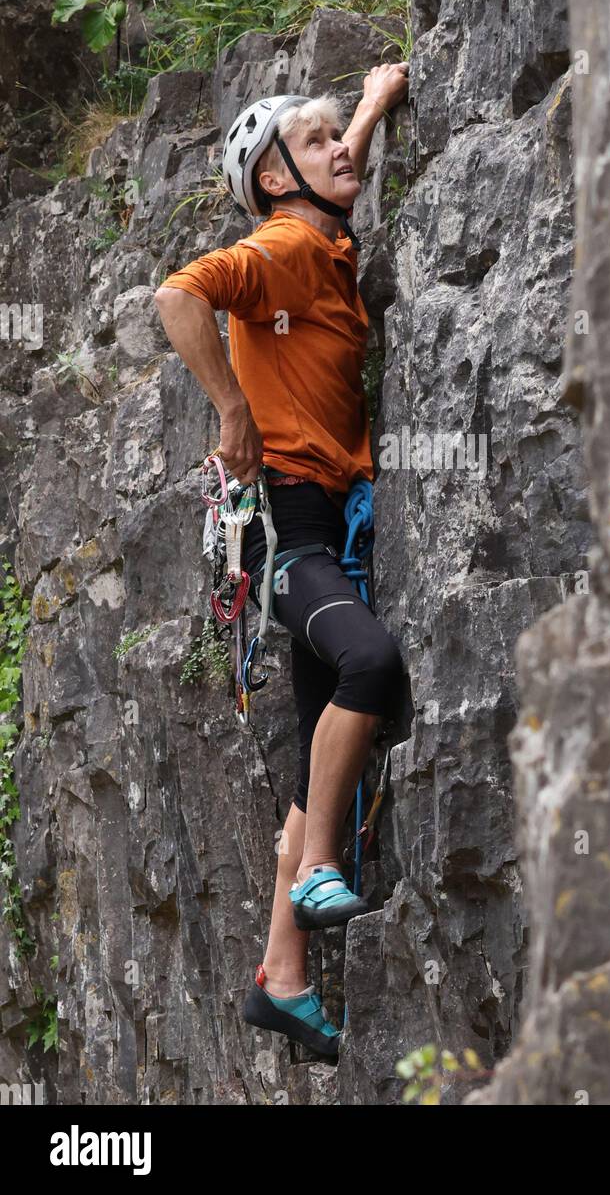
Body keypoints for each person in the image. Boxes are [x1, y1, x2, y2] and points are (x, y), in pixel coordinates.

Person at [154, 64, 409, 1058]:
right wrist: (230, 409)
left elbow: (344, 166)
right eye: (313, 140)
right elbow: (178, 296)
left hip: (321, 518)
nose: (338, 147)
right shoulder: (289, 241)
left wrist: (375, 104)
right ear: (271, 179)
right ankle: (313, 873)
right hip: (295, 532)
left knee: (316, 759)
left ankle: (282, 978)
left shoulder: (321, 238)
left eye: (338, 135)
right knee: (371, 665)